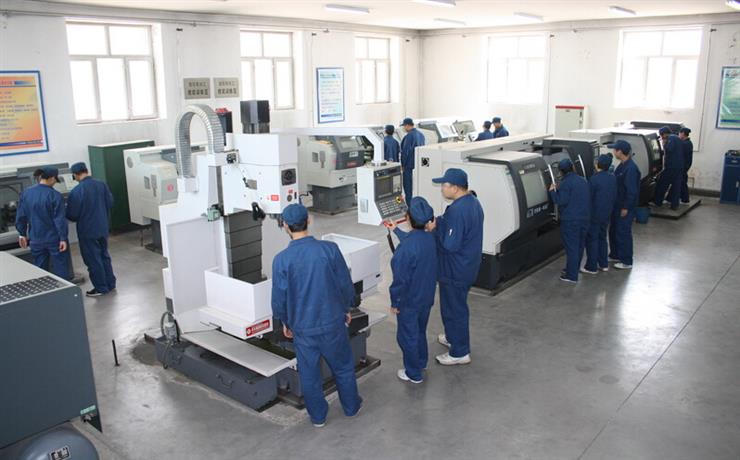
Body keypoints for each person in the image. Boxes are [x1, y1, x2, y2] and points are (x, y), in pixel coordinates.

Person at [271, 204, 362, 427]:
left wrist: (285, 322)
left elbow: (279, 298)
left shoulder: (281, 260)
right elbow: (344, 284)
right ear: (309, 220)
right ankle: (351, 407)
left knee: (309, 375)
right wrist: (347, 308)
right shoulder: (329, 250)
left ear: (285, 225)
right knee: (343, 367)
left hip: (303, 328)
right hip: (333, 322)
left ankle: (318, 417)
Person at [429, 168, 484, 366]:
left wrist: (434, 230)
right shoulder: (472, 202)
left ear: (455, 188)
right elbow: (453, 226)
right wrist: (440, 222)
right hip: (467, 265)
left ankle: (460, 351)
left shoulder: (458, 211)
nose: (442, 189)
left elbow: (450, 245)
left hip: (455, 270)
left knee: (454, 309)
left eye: (444, 185)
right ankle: (453, 336)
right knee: (453, 306)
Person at [388, 197, 437, 384]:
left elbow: (400, 281)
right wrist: (395, 230)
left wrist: (395, 302)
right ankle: (421, 362)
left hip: (409, 302)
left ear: (408, 217)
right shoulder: (430, 238)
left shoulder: (406, 249)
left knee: (407, 337)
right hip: (426, 297)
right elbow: (415, 242)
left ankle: (413, 373)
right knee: (420, 331)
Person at [66, 162, 116, 297]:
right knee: (104, 255)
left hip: (87, 231)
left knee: (93, 259)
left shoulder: (77, 191)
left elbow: (72, 214)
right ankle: (110, 283)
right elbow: (110, 202)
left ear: (75, 175)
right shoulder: (101, 185)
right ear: (86, 170)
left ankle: (101, 287)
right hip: (102, 227)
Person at [14, 166, 72, 280]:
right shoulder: (55, 195)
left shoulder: (26, 193)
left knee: (40, 270)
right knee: (61, 268)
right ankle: (65, 290)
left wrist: (22, 234)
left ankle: (43, 289)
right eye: (55, 180)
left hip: (36, 239)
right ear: (52, 178)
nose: (55, 183)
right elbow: (59, 220)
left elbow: (21, 216)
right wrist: (63, 238)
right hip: (54, 239)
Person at [548, 159, 591, 283]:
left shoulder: (565, 183)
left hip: (571, 221)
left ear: (561, 171)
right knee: (579, 246)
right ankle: (574, 269)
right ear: (572, 167)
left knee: (572, 248)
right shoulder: (583, 180)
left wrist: (552, 191)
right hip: (584, 218)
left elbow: (560, 201)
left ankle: (571, 276)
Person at [581, 154, 617, 275]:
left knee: (592, 240)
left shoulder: (594, 179)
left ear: (597, 165)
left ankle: (591, 267)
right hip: (607, 213)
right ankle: (603, 264)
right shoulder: (612, 178)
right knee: (602, 238)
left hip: (594, 215)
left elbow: (588, 198)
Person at [608, 140, 641, 270]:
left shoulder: (631, 169)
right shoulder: (622, 165)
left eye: (614, 149)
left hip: (624, 207)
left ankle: (626, 261)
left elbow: (632, 191)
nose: (613, 152)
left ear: (620, 151)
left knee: (623, 233)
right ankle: (615, 254)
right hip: (617, 205)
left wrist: (626, 207)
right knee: (614, 230)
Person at [653, 126, 684, 210]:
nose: (662, 137)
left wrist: (664, 144)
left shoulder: (671, 138)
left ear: (664, 134)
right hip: (679, 166)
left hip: (671, 167)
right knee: (676, 186)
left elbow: (669, 149)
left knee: (662, 183)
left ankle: (657, 202)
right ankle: (674, 205)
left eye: (661, 135)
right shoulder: (677, 138)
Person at [400, 117, 425, 200]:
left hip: (409, 166)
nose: (404, 128)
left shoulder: (409, 136)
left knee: (408, 189)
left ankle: (409, 206)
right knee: (416, 188)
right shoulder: (421, 135)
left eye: (404, 126)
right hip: (418, 165)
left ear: (407, 125)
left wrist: (403, 165)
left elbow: (405, 152)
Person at [678, 127, 693, 203]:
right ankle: (682, 198)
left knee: (682, 182)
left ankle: (685, 199)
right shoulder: (688, 142)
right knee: (681, 181)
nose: (678, 135)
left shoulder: (685, 144)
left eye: (679, 133)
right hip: (685, 165)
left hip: (683, 166)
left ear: (683, 133)